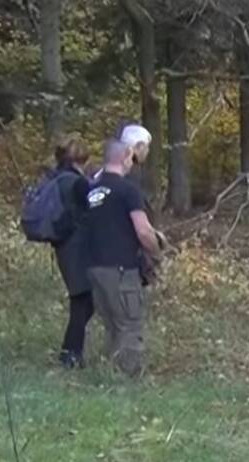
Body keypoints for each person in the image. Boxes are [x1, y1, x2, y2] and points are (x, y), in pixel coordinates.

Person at [85, 140, 163, 377]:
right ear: (126, 156)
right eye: (131, 158)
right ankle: (128, 382)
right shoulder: (128, 190)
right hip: (121, 270)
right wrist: (157, 251)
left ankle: (109, 376)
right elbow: (143, 231)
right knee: (130, 326)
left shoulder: (93, 190)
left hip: (95, 268)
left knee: (113, 326)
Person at [49, 136, 94, 369]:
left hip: (64, 246)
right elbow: (90, 213)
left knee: (82, 300)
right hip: (79, 248)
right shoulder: (78, 183)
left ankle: (71, 351)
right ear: (81, 159)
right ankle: (70, 354)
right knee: (84, 300)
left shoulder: (56, 178)